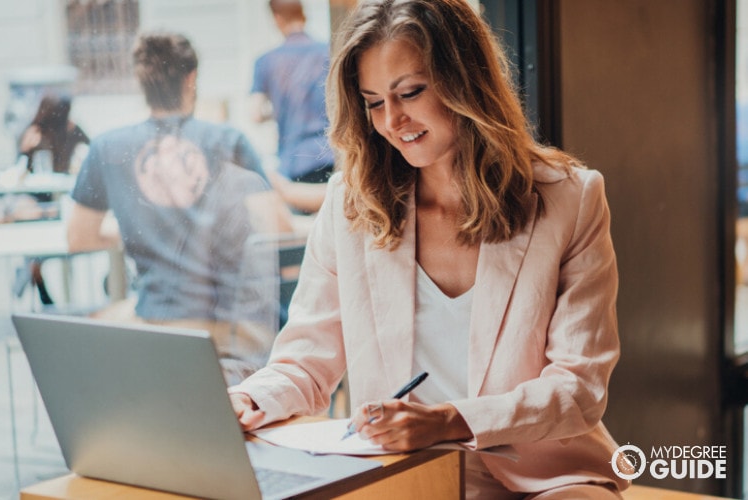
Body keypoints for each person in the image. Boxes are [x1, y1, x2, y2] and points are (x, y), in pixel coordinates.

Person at [229, 0, 628, 498]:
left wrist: (448, 421)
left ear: (466, 82)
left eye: (410, 92)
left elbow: (578, 387)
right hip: (403, 476)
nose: (392, 120)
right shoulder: (351, 207)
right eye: (374, 102)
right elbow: (307, 362)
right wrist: (245, 399)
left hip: (545, 479)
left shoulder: (570, 199)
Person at [67, 32, 282, 383]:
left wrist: (139, 225)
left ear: (142, 83)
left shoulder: (108, 147)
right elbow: (275, 226)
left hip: (158, 321)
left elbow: (79, 237)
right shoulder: (229, 140)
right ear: (191, 79)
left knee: (96, 324)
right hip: (232, 329)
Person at [250, 0, 334, 211]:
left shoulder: (266, 61)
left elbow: (255, 113)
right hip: (330, 155)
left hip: (294, 162)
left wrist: (278, 109)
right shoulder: (329, 51)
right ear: (302, 14)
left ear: (277, 19)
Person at [12, 93, 90, 306]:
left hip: (61, 199)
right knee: (29, 222)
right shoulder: (35, 134)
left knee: (36, 239)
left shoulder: (72, 130)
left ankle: (31, 272)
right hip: (36, 201)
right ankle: (34, 274)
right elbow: (19, 172)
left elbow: (90, 153)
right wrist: (25, 150)